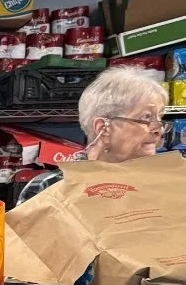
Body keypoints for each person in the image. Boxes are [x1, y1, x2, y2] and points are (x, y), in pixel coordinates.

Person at [17, 66, 171, 204]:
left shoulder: (166, 187)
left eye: (160, 117)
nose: (159, 128)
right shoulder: (50, 189)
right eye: (146, 118)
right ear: (103, 128)